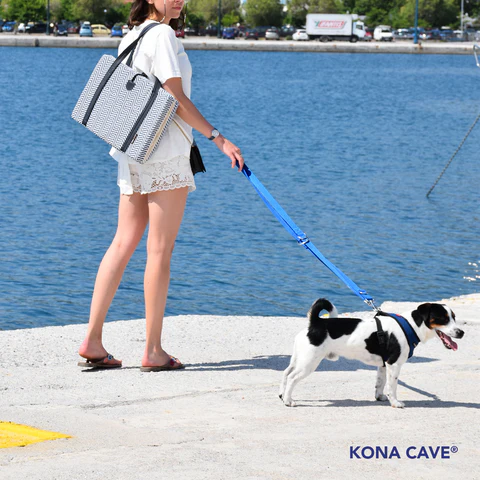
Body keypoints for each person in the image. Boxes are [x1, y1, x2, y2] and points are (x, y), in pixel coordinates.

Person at [78, 0, 244, 371]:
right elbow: (174, 97)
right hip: (165, 150)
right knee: (159, 251)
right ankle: (153, 351)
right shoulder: (164, 34)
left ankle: (92, 338)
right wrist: (218, 138)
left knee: (122, 242)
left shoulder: (132, 35)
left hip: (133, 147)